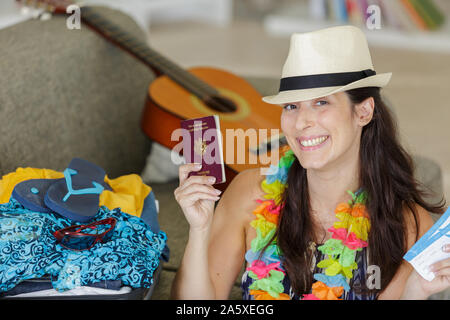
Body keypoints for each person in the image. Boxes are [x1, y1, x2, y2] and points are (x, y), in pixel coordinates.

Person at [171, 25, 449, 300]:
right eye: (292, 106)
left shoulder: (406, 224)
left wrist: (414, 294)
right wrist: (199, 229)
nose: (302, 122)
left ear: (363, 112)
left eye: (321, 103)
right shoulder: (250, 192)